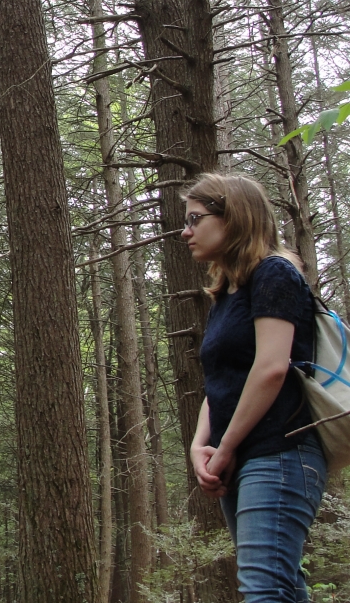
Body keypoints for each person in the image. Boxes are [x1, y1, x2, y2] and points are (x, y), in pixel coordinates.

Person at [186, 173, 325, 603]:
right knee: (282, 587)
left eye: (195, 219)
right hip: (240, 457)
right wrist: (199, 444)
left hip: (281, 450)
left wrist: (224, 448)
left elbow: (270, 368)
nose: (185, 230)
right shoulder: (227, 292)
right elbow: (220, 380)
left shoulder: (274, 273)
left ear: (234, 218)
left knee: (265, 589)